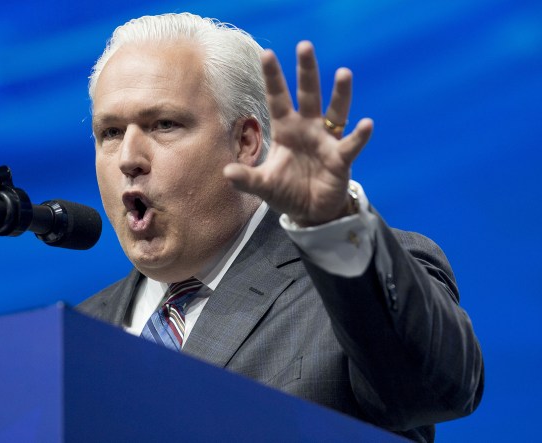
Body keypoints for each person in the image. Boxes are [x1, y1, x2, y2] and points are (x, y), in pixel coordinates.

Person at [77, 13, 483, 442]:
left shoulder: (349, 284)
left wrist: (332, 222)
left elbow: (434, 389)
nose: (128, 157)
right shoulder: (78, 334)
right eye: (111, 132)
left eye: (163, 124)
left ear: (246, 142)